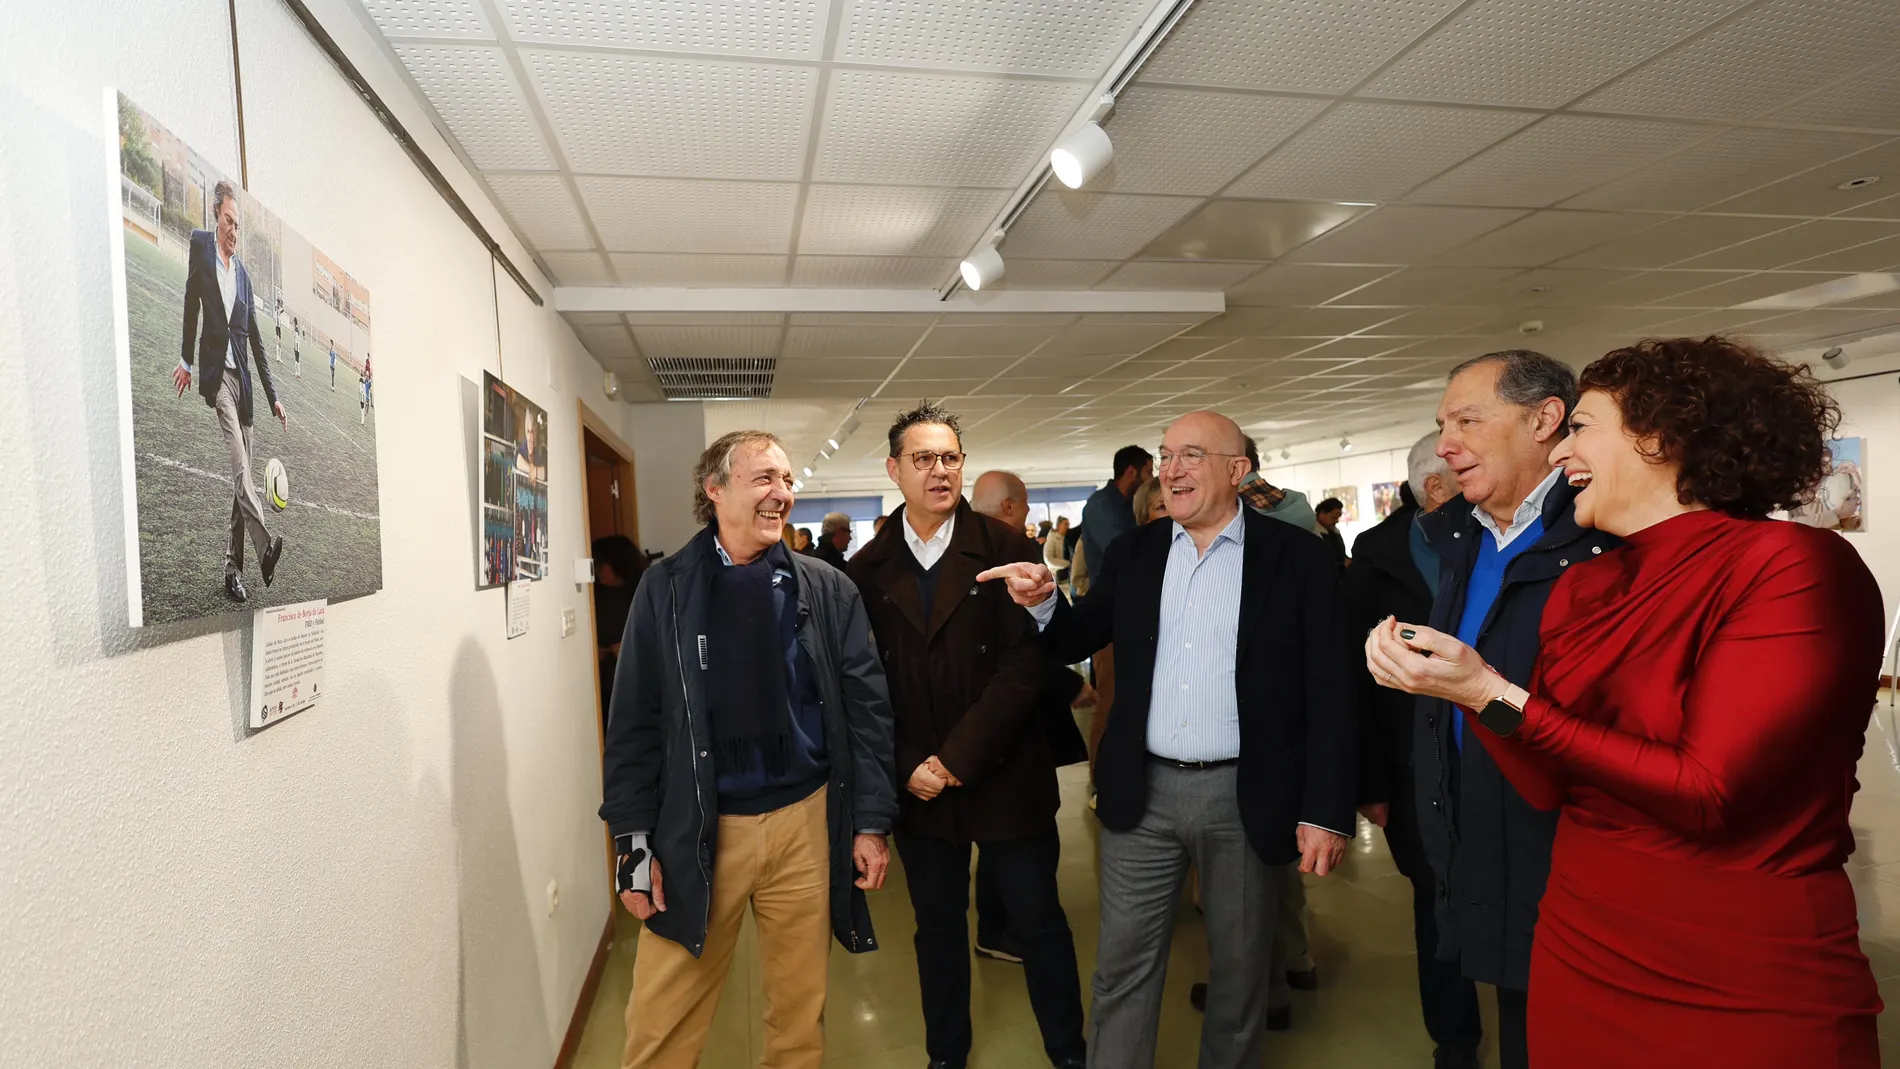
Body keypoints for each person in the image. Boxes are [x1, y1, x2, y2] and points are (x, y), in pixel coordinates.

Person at [1368, 336, 1886, 1067]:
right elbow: (1547, 782)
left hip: (1737, 961)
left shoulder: (1790, 566)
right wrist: (1463, 691)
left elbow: (1710, 792)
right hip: (1581, 940)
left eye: (1579, 428)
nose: (1558, 456)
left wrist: (1490, 691)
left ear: (1662, 438)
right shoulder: (1587, 583)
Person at [979, 410, 1355, 1069]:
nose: (1172, 469)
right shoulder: (1137, 552)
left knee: (1238, 976)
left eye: (1192, 455)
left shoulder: (1294, 557)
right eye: (1165, 454)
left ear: (1238, 471)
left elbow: (1329, 686)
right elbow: (1076, 636)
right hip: (1142, 794)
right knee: (1122, 967)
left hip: (1245, 793)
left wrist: (1325, 808)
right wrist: (1043, 602)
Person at [599, 430, 898, 1069]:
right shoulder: (666, 589)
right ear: (715, 490)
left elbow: (868, 714)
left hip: (804, 824)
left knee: (798, 1018)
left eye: (788, 480)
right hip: (700, 829)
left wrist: (870, 822)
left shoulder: (824, 589)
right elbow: (635, 725)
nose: (782, 494)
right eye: (764, 478)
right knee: (660, 1024)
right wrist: (633, 844)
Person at [848, 413, 1088, 1069]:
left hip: (1005, 773)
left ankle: (1070, 1053)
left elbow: (1024, 668)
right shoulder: (866, 570)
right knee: (938, 931)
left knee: (1040, 923)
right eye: (922, 459)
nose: (939, 471)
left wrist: (954, 759)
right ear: (894, 470)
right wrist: (909, 766)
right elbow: (861, 687)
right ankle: (946, 1054)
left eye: (950, 458)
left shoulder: (1009, 545)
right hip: (921, 787)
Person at [1405, 349, 1618, 1069]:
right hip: (1476, 827)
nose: (1445, 444)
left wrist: (1474, 692)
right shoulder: (1463, 537)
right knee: (1519, 1013)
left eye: (1467, 419)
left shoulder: (1603, 545)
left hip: (1568, 842)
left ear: (1544, 420)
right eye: (1443, 424)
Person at [1338, 431, 1480, 1069]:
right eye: (1462, 471)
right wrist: (1369, 781)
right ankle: (1455, 1039)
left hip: (1495, 755)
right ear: (1435, 489)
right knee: (1435, 903)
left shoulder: (1493, 542)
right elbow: (1353, 680)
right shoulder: (1376, 556)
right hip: (1412, 765)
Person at [970, 469, 1093, 966]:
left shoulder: (969, 553)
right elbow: (1021, 654)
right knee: (1018, 837)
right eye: (1021, 509)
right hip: (1006, 727)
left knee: (1002, 834)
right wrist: (1070, 684)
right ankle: (1006, 929)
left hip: (991, 726)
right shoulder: (999, 557)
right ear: (1009, 508)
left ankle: (997, 927)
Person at [172, 179, 286, 604]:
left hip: (245, 389)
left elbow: (256, 340)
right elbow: (189, 304)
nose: (233, 231)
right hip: (217, 377)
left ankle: (231, 570)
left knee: (242, 489)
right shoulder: (200, 247)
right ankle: (266, 548)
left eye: (238, 225)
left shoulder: (245, 276)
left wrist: (273, 396)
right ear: (216, 216)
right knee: (241, 469)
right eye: (228, 221)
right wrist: (186, 361)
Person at [591, 533, 647, 730]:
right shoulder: (594, 596)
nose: (596, 571)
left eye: (600, 564)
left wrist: (630, 647)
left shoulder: (647, 590)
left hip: (641, 681)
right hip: (606, 684)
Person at [1314, 498, 1349, 568]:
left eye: (1338, 517)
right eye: (1333, 517)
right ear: (1322, 513)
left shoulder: (1335, 532)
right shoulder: (1313, 534)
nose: (1337, 521)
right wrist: (1342, 565)